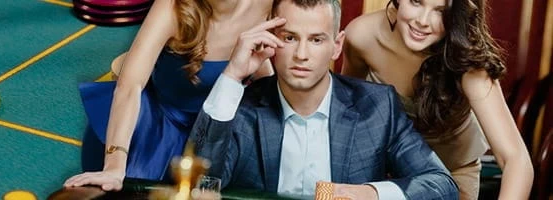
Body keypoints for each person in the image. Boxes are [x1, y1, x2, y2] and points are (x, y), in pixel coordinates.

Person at [191, 0, 458, 199]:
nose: (302, 54)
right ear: (271, 40)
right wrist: (232, 75)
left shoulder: (378, 107)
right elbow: (199, 182)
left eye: (317, 40)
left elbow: (441, 185)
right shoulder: (240, 106)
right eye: (290, 38)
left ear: (337, 45)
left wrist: (370, 194)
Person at [62, 0, 275, 191]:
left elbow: (270, 79)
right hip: (154, 129)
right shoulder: (173, 6)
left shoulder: (268, 6)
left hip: (217, 131)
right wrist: (114, 167)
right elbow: (130, 86)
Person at [340, 0, 534, 198]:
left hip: (452, 174)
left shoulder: (467, 59)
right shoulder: (361, 36)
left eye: (441, 11)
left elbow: (516, 160)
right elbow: (347, 117)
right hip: (383, 174)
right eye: (416, 1)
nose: (422, 21)